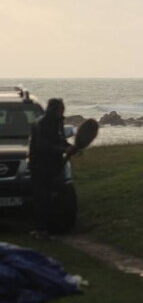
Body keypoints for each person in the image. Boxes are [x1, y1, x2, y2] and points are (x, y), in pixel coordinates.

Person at [28, 98, 77, 238]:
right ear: (52, 109)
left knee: (50, 199)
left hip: (54, 166)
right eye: (59, 108)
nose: (62, 111)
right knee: (41, 199)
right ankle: (40, 230)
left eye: (63, 108)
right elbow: (43, 146)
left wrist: (69, 147)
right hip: (40, 167)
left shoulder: (58, 122)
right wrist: (63, 149)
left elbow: (60, 139)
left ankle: (47, 228)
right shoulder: (40, 124)